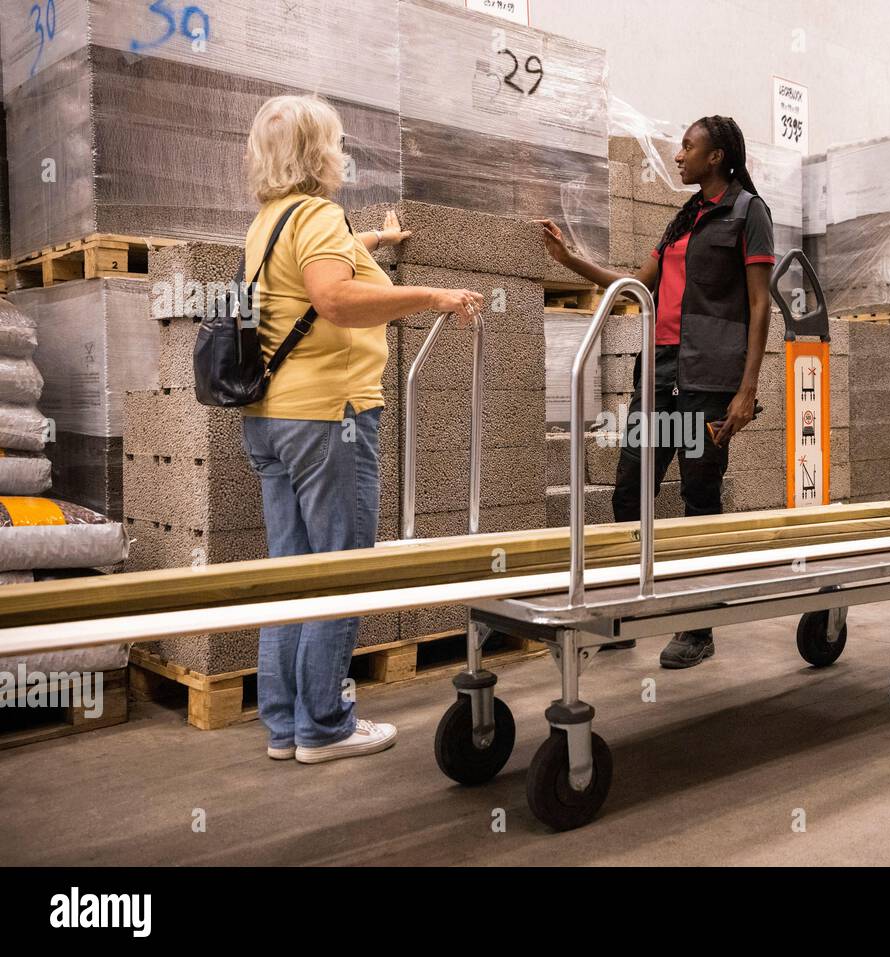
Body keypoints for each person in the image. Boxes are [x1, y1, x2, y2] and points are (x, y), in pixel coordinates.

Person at [241, 95, 484, 763]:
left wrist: (372, 242)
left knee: (291, 571)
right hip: (331, 417)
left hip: (273, 419)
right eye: (339, 143)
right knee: (342, 571)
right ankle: (326, 724)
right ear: (318, 152)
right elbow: (334, 298)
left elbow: (315, 269)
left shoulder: (270, 220)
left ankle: (287, 725)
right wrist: (431, 296)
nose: (344, 155)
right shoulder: (317, 215)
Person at [539, 115, 774, 669]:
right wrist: (571, 261)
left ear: (716, 156)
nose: (678, 156)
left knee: (698, 496)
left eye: (688, 148)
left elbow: (760, 303)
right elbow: (636, 285)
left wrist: (746, 391)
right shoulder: (685, 216)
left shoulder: (748, 212)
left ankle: (698, 625)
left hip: (710, 378)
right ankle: (625, 615)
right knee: (630, 490)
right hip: (660, 373)